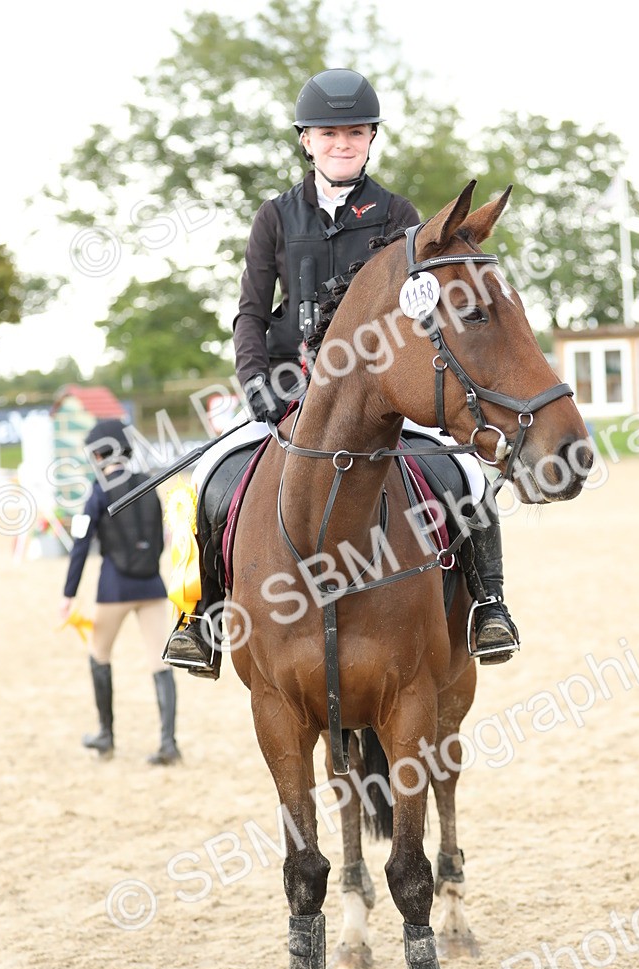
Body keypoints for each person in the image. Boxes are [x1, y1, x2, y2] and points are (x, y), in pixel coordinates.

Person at [164, 67, 519, 678]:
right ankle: (201, 620)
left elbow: (419, 309)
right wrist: (255, 383)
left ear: (371, 137)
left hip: (380, 394)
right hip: (287, 390)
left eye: (355, 132)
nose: (342, 143)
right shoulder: (275, 217)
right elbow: (251, 313)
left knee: (465, 472)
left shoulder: (399, 215)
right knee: (206, 479)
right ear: (307, 140)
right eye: (329, 134)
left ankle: (489, 603)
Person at [59, 418, 181, 765]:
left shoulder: (98, 492)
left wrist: (68, 594)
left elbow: (81, 546)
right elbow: (160, 537)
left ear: (99, 454)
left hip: (114, 588)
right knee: (159, 661)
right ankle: (168, 744)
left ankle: (106, 736)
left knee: (99, 654)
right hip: (152, 585)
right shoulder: (148, 484)